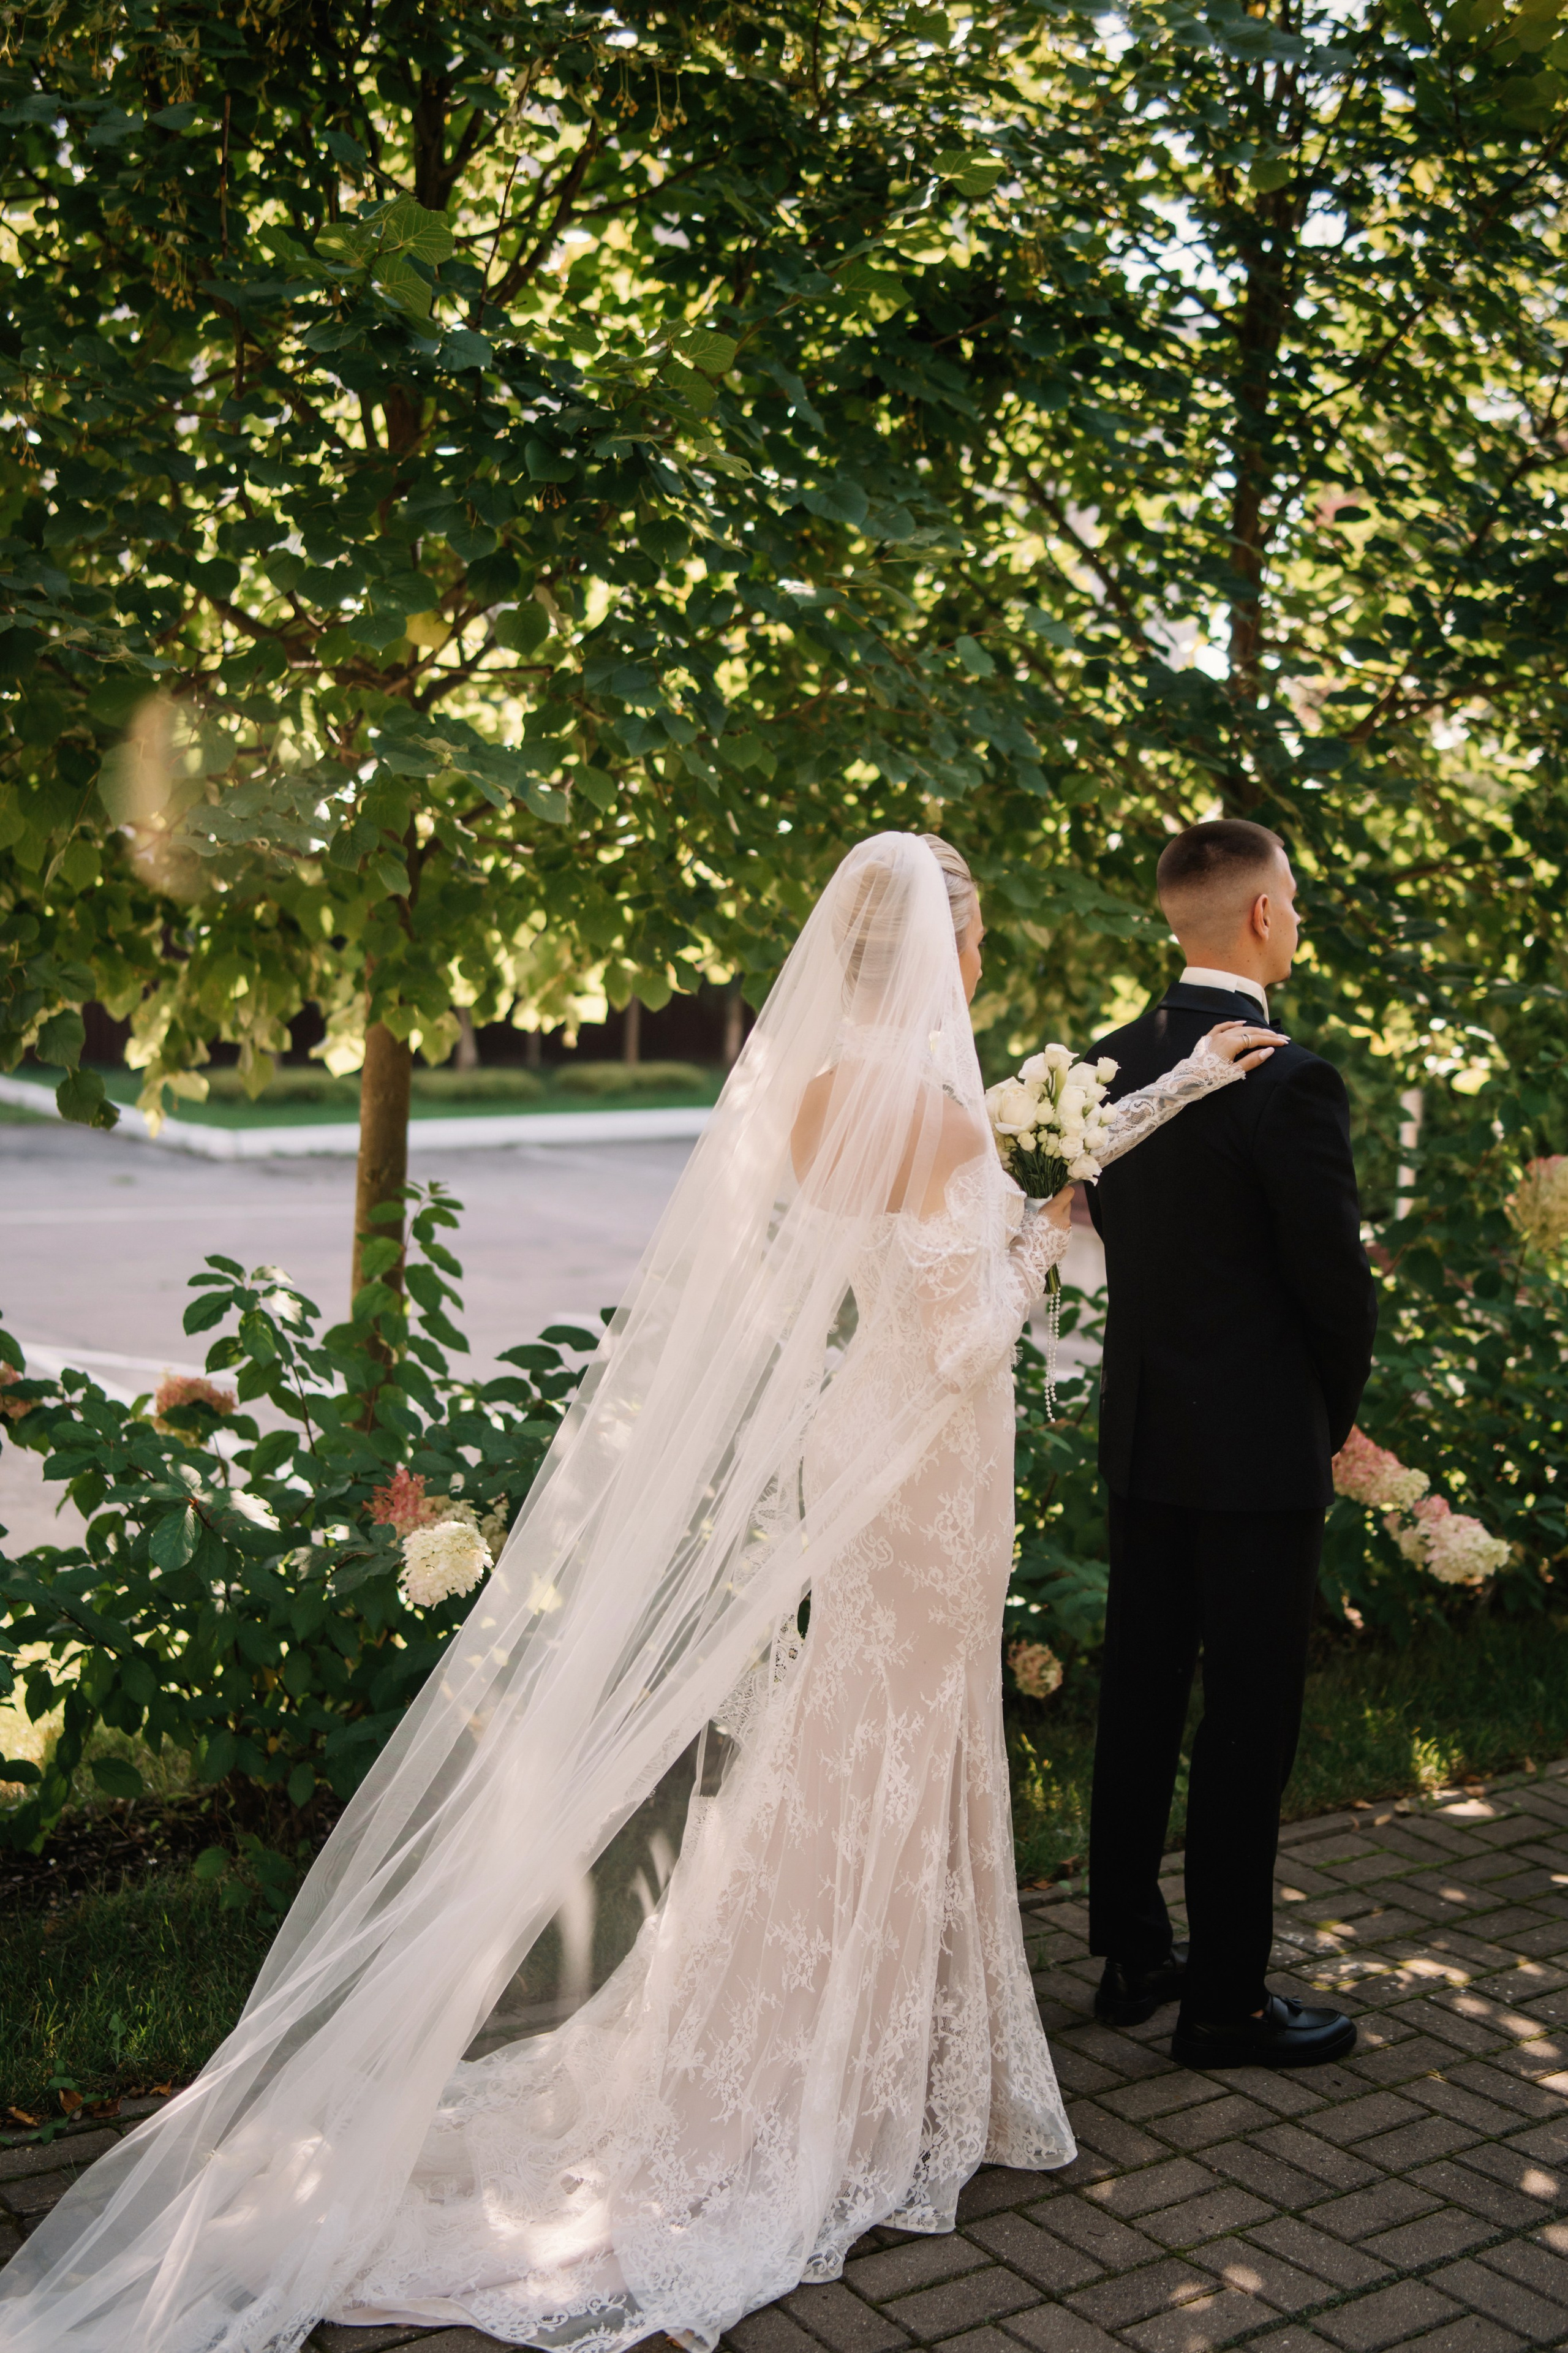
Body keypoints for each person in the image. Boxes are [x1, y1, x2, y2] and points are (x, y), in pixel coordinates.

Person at [0, 834, 1276, 2353]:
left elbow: (913, 1261)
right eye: (977, 942)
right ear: (941, 957)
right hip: (923, 1467)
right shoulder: (932, 1107)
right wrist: (1043, 1244)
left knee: (856, 1736)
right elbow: (966, 1324)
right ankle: (851, 2077)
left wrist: (1157, 1101)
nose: (982, 967)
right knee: (896, 1743)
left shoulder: (819, 1096)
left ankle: (890, 2043)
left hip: (851, 1439)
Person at [1086, 818, 1379, 2069]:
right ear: (1260, 915)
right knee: (1245, 1721)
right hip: (1255, 1450)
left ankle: (1129, 1954)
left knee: (1139, 1697)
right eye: (1296, 901)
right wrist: (1335, 1411)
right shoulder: (1286, 1075)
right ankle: (1224, 2002)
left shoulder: (1100, 1066)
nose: (1298, 921)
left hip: (1143, 1435)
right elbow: (1331, 1286)